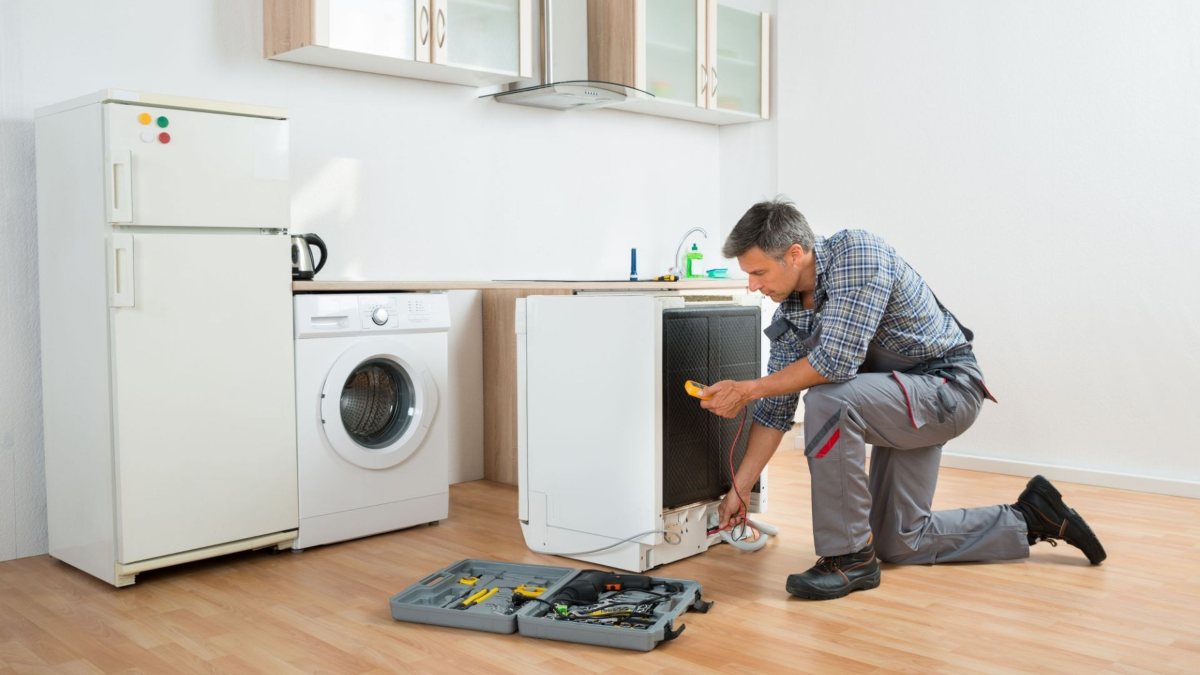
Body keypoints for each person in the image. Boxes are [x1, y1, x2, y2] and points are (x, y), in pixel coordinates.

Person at [698, 199, 1106, 600]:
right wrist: (741, 487)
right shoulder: (789, 314)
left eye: (758, 272)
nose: (752, 284)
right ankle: (1032, 517)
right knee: (900, 541)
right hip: (895, 399)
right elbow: (774, 411)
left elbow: (835, 363)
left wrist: (749, 388)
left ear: (794, 254)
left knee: (828, 399)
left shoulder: (857, 254)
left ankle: (848, 558)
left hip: (945, 389)